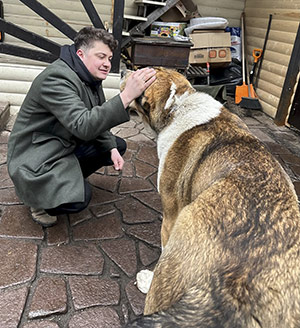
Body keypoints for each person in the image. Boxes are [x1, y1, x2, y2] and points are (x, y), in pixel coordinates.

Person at [6, 26, 156, 227]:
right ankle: (38, 200)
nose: (106, 64)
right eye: (101, 56)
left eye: (110, 59)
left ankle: (65, 181)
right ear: (80, 54)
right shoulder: (57, 78)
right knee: (80, 199)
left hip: (61, 144)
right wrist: (126, 96)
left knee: (115, 146)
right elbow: (83, 125)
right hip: (35, 156)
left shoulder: (87, 76)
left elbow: (95, 115)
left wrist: (110, 147)